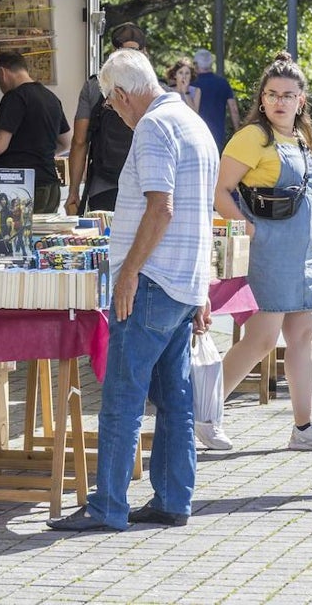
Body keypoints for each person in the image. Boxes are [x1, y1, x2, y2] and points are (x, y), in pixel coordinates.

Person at [48, 48, 218, 531]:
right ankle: (171, 498)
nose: (115, 113)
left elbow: (161, 208)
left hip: (151, 282)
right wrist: (201, 285)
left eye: (112, 104)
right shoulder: (192, 123)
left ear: (122, 94)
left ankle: (108, 506)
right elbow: (198, 212)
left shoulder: (152, 127)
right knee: (174, 399)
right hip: (180, 281)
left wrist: (128, 273)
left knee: (123, 395)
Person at [212, 53, 312, 453]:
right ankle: (199, 411)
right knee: (262, 339)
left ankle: (304, 427)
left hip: (302, 251)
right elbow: (219, 191)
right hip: (267, 249)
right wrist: (248, 228)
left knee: (303, 335)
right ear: (262, 98)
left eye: (288, 95)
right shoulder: (252, 136)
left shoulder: (303, 139)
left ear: (302, 99)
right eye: (272, 94)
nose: (280, 102)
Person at [0, 50, 70, 214]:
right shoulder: (51, 98)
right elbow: (66, 143)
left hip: (20, 190)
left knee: (13, 237)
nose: (1, 88)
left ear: (2, 73)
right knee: (40, 239)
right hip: (51, 186)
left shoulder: (15, 98)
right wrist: (39, 152)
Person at [65, 22, 144, 215]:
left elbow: (80, 141)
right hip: (144, 188)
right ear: (144, 52)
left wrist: (74, 191)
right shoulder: (157, 89)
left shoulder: (94, 86)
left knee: (104, 242)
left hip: (103, 187)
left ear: (113, 51)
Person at [192, 48, 240, 149]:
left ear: (196, 65)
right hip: (218, 135)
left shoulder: (192, 85)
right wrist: (238, 132)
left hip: (196, 135)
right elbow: (233, 109)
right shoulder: (222, 83)